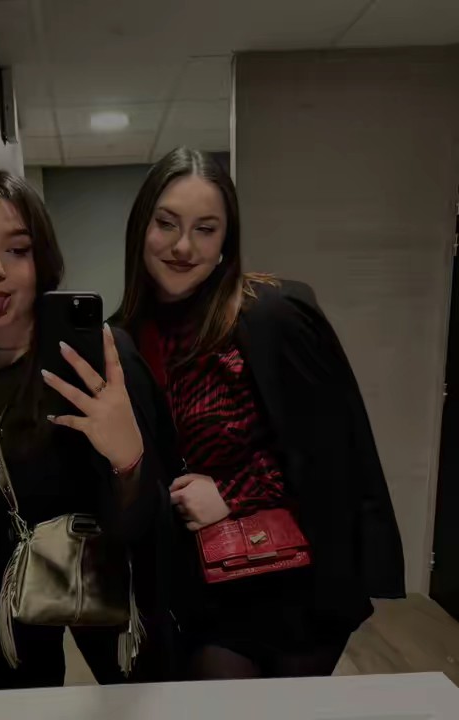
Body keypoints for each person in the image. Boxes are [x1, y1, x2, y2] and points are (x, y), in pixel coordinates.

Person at [111, 147, 406, 680]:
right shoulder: (125, 338)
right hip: (197, 588)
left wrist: (232, 494)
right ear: (140, 229)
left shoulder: (272, 314)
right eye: (167, 223)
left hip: (292, 586)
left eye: (205, 229)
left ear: (226, 241)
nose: (183, 246)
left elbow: (331, 456)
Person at [0, 170, 175, 691]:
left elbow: (149, 525)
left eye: (17, 250)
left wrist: (128, 460)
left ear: (42, 259)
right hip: (1, 611)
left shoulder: (102, 359)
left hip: (117, 597)